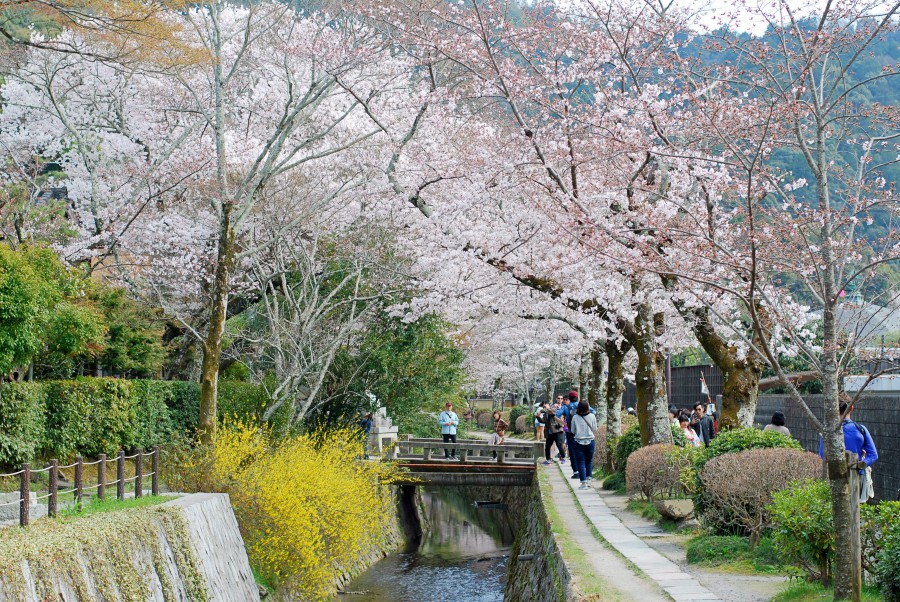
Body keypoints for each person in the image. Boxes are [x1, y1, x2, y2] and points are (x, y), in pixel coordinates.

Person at [819, 399, 878, 502]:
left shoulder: (827, 431)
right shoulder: (860, 429)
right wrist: (861, 465)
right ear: (851, 408)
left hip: (835, 478)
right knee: (855, 508)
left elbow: (823, 456)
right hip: (856, 476)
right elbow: (873, 455)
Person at [570, 400, 598, 489]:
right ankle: (589, 479)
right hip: (590, 441)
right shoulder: (592, 416)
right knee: (589, 461)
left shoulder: (575, 417)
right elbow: (595, 428)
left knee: (580, 462)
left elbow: (572, 431)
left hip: (578, 442)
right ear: (587, 407)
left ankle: (583, 483)